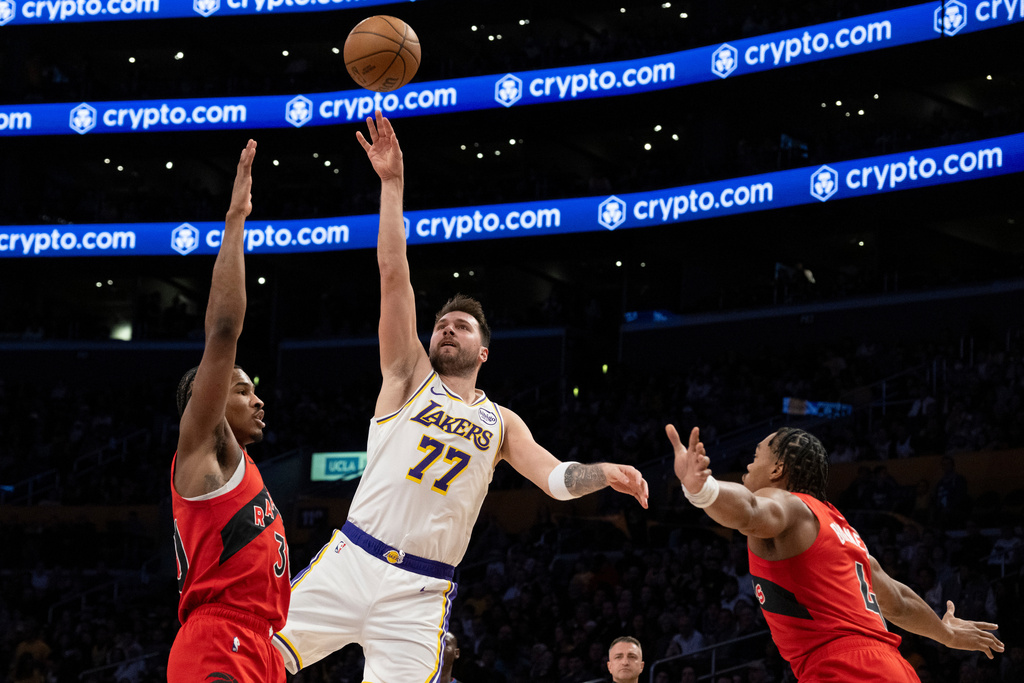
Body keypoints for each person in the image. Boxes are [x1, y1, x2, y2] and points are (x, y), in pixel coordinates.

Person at [272, 111, 649, 680]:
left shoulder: (502, 422)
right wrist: (392, 185)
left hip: (421, 591)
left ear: (484, 352)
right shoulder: (406, 375)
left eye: (462, 326)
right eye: (441, 324)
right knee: (247, 663)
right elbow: (392, 272)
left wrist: (604, 472)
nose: (447, 329)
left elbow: (554, 479)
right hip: (350, 560)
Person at [664, 424, 1003, 682]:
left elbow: (750, 510)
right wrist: (945, 633)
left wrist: (702, 490)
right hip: (891, 668)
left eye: (756, 456)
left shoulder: (786, 505)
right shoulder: (841, 528)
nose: (748, 466)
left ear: (778, 469)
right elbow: (897, 599)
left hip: (842, 669)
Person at [168, 140, 289, 683]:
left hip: (260, 645)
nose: (257, 397)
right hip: (218, 640)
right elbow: (223, 330)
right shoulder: (203, 457)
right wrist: (236, 219)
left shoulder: (246, 473)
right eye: (242, 390)